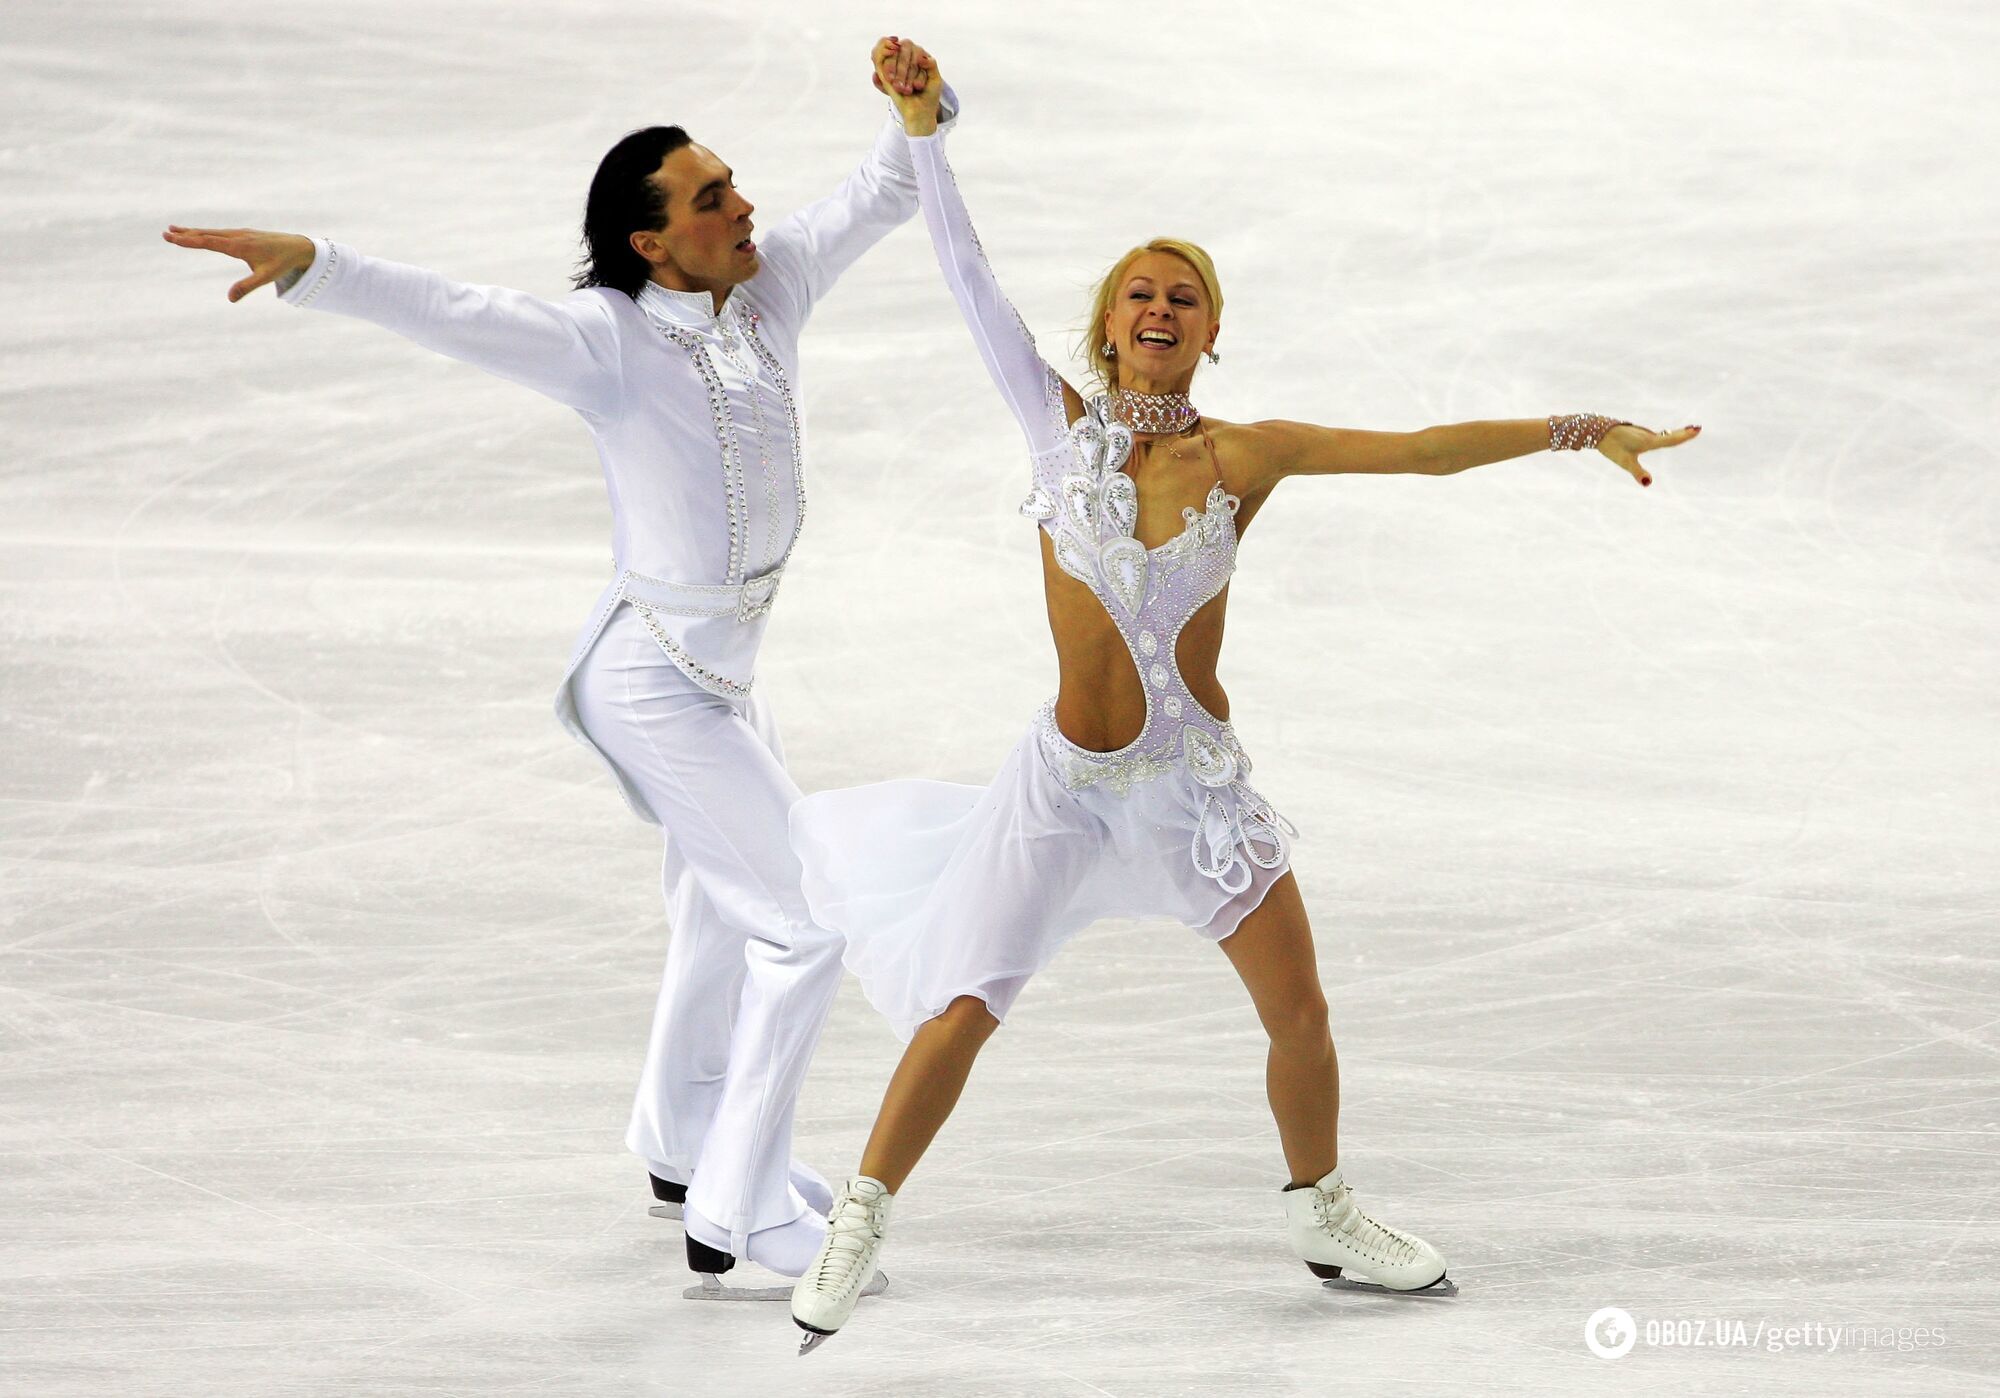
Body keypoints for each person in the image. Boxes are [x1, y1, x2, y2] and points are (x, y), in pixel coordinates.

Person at [785, 54, 1702, 1350]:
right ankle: (860, 1217)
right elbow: (965, 272)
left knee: (1301, 1010)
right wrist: (920, 129)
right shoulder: (1054, 430)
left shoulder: (1245, 455)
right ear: (1107, 325)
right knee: (965, 1003)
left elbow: (1422, 452)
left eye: (1188, 295)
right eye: (1142, 292)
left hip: (1191, 789)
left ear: (1213, 330)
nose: (1163, 305)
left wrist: (1576, 426)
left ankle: (1322, 1208)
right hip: (1062, 790)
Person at [162, 37, 958, 1298]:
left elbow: (883, 192)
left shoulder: (766, 287)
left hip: (719, 669)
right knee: (803, 924)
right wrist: (319, 266)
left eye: (733, 185)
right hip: (648, 677)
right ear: (650, 243)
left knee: (719, 903)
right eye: (710, 201)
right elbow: (458, 313)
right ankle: (737, 1203)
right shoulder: (605, 339)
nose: (743, 207)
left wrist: (916, 112)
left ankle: (676, 1133)